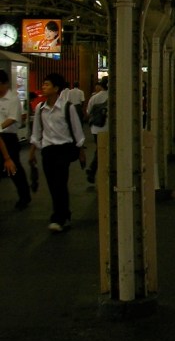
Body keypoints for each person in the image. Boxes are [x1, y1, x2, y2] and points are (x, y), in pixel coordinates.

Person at [29, 73, 86, 233]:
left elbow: (77, 130)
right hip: (48, 150)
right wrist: (32, 152)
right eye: (43, 84)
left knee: (60, 183)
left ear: (56, 88)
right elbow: (37, 132)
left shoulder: (68, 108)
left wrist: (81, 151)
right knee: (52, 184)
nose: (43, 87)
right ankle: (63, 215)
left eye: (47, 84)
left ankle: (59, 218)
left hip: (64, 149)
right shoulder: (40, 108)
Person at [0, 69, 31, 209]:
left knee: (15, 168)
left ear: (4, 84)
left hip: (8, 137)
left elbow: (12, 118)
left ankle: (24, 196)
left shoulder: (13, 99)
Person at [85, 77, 108, 184]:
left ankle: (93, 170)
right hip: (108, 128)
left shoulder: (94, 97)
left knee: (100, 149)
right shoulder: (115, 96)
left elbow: (88, 111)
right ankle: (93, 169)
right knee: (102, 150)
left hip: (96, 128)